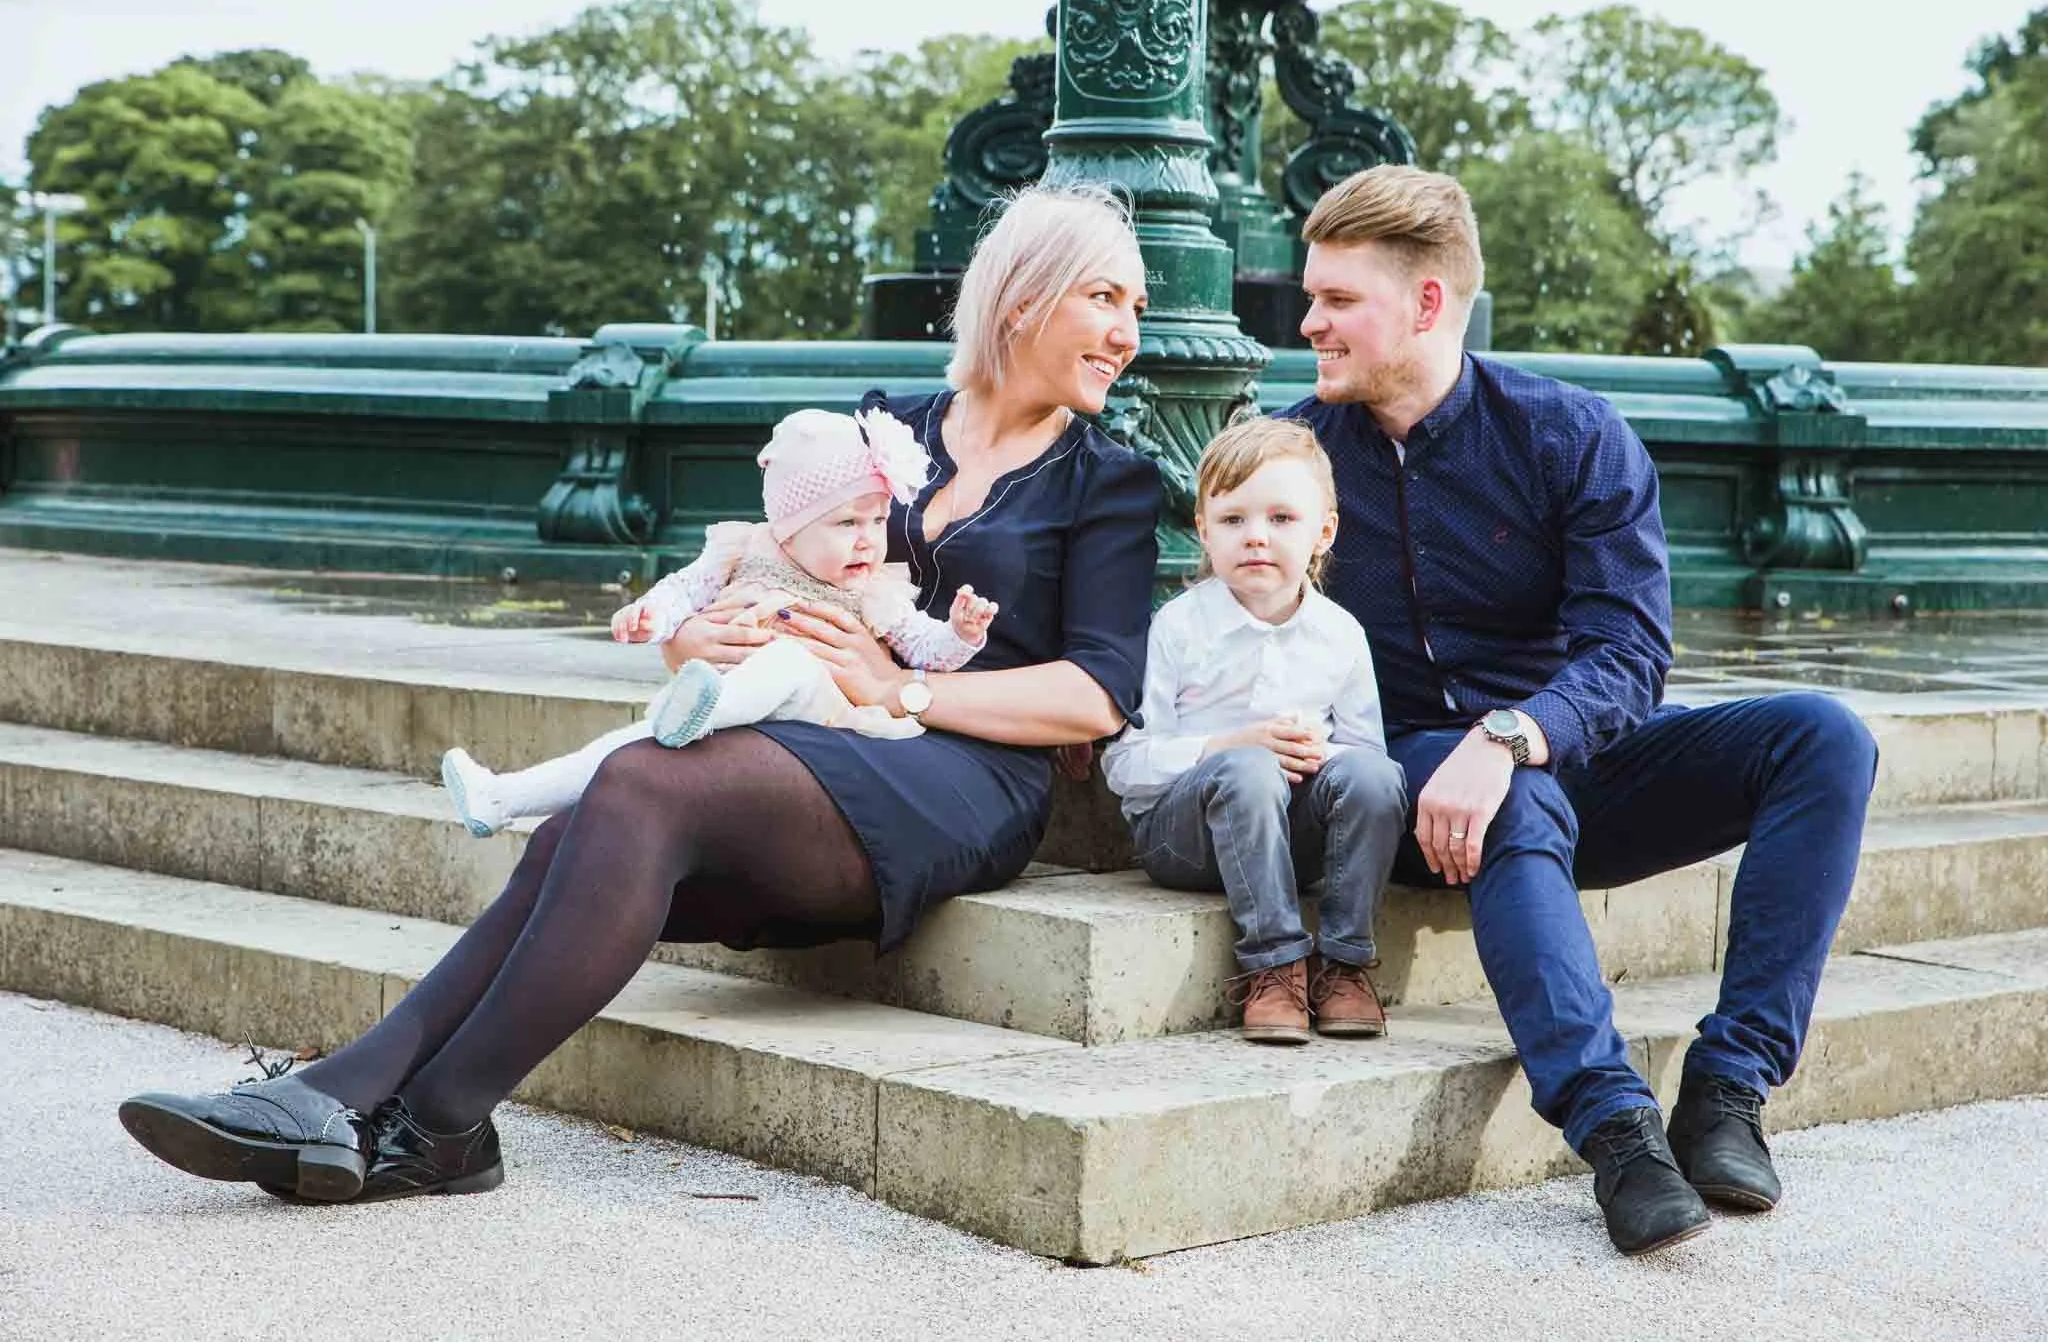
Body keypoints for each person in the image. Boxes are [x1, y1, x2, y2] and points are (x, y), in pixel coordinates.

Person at [115, 182, 1163, 1205]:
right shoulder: (886, 424)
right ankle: (372, 1104)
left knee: (639, 784)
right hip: (806, 726)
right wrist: (698, 637)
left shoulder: (1108, 479)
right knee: (571, 830)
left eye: (1138, 307)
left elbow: (1097, 695)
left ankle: (417, 1113)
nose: (1127, 333)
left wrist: (902, 686)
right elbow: (771, 564)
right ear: (1023, 298)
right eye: (1105, 298)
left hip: (962, 778)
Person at [1282, 164, 1877, 1256]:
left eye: (1335, 299)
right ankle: (1616, 1132)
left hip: (1555, 753)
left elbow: (1629, 653)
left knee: (1823, 737)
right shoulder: (1293, 458)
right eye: (1310, 295)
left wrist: (1511, 734)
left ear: (1426, 302)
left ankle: (1728, 1088)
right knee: (1514, 803)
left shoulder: (1568, 434)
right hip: (1399, 781)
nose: (1307, 321)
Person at [439, 405, 1000, 838]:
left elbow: (925, 649)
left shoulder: (874, 590)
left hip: (821, 714)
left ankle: (695, 711)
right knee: (629, 747)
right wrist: (653, 616)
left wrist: (961, 633)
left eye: (877, 521)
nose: (867, 541)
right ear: (790, 527)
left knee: (788, 661)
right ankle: (503, 797)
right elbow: (684, 589)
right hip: (726, 701)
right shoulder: (744, 549)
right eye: (847, 523)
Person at [1102, 417, 1406, 1044]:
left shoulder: (1341, 635)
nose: (1256, 537)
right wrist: (1230, 746)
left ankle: (1345, 963)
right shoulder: (1178, 628)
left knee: (1377, 774)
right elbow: (1126, 766)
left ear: (1324, 532)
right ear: (1203, 531)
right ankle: (1275, 966)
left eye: (1282, 518)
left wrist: (1321, 754)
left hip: (1292, 839)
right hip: (1185, 842)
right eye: (1233, 519)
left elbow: (1364, 762)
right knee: (1247, 768)